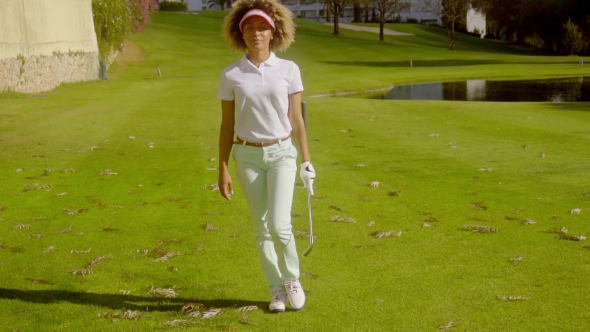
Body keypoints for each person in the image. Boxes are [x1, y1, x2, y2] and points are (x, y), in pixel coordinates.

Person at [216, 0, 316, 312]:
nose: (256, 33)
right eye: (249, 27)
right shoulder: (232, 74)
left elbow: (297, 120)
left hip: (282, 153)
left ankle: (292, 279)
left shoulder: (289, 70)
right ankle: (276, 291)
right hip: (246, 156)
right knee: (261, 227)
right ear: (240, 33)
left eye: (262, 28)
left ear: (273, 33)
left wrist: (306, 160)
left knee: (279, 223)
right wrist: (222, 168)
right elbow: (227, 125)